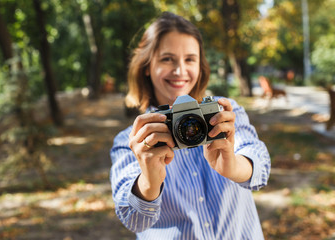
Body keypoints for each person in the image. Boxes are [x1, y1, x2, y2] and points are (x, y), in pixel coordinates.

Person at [110, 12, 271, 240]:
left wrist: (233, 166)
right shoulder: (133, 140)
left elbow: (261, 168)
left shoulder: (223, 112)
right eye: (167, 59)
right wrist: (148, 182)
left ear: (200, 65)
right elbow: (134, 220)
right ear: (147, 65)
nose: (180, 70)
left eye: (190, 59)